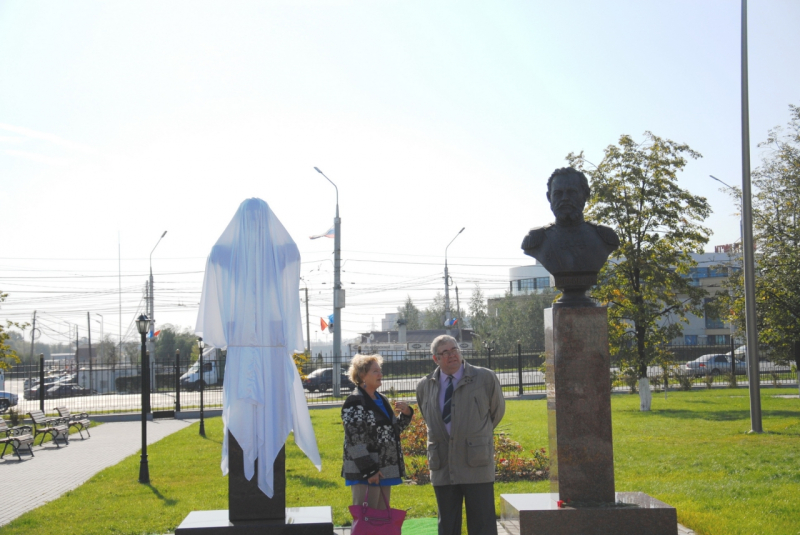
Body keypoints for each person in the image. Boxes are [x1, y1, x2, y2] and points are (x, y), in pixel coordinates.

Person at [415, 335, 505, 535]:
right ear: (436, 358)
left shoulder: (485, 378)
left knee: (483, 525)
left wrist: (475, 433)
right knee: (447, 526)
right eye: (445, 352)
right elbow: (428, 416)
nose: (452, 355)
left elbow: (496, 412)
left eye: (454, 349)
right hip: (443, 465)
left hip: (476, 464)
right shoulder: (425, 385)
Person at [341, 353, 413, 510]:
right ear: (362, 375)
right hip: (366, 473)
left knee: (382, 520)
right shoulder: (355, 401)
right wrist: (370, 470)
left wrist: (406, 414)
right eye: (375, 371)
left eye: (380, 370)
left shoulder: (382, 399)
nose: (380, 374)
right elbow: (355, 441)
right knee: (366, 519)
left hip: (385, 470)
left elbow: (392, 432)